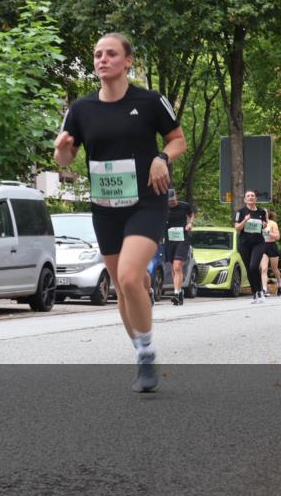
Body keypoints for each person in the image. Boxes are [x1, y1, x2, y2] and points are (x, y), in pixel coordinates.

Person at [54, 32, 186, 392]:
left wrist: (162, 158)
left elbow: (178, 140)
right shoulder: (80, 109)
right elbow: (65, 158)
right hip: (105, 206)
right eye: (97, 55)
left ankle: (146, 353)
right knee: (124, 287)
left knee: (128, 277)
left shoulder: (150, 101)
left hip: (147, 201)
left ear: (127, 61)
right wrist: (62, 149)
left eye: (111, 54)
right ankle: (140, 343)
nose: (102, 60)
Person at [233, 190, 269, 304]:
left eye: (252, 196)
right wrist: (245, 220)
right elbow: (237, 227)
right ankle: (255, 293)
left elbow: (265, 224)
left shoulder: (261, 211)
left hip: (258, 243)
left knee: (254, 266)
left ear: (256, 199)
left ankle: (260, 291)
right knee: (249, 269)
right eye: (248, 196)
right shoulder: (241, 212)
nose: (250, 197)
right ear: (245, 199)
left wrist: (264, 225)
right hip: (244, 244)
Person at [164, 188, 195, 306]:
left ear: (176, 197)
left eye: (173, 200)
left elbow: (191, 215)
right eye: (169, 201)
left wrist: (190, 223)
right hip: (170, 239)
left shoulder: (184, 206)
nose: (171, 203)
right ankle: (179, 292)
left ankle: (176, 293)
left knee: (177, 266)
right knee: (173, 268)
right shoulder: (164, 208)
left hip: (182, 239)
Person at [260, 210, 281, 297]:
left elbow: (277, 237)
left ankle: (279, 284)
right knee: (264, 268)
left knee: (275, 269)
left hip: (272, 246)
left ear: (267, 214)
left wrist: (267, 231)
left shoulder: (272, 223)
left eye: (264, 213)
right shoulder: (258, 223)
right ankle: (264, 289)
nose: (263, 214)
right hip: (262, 246)